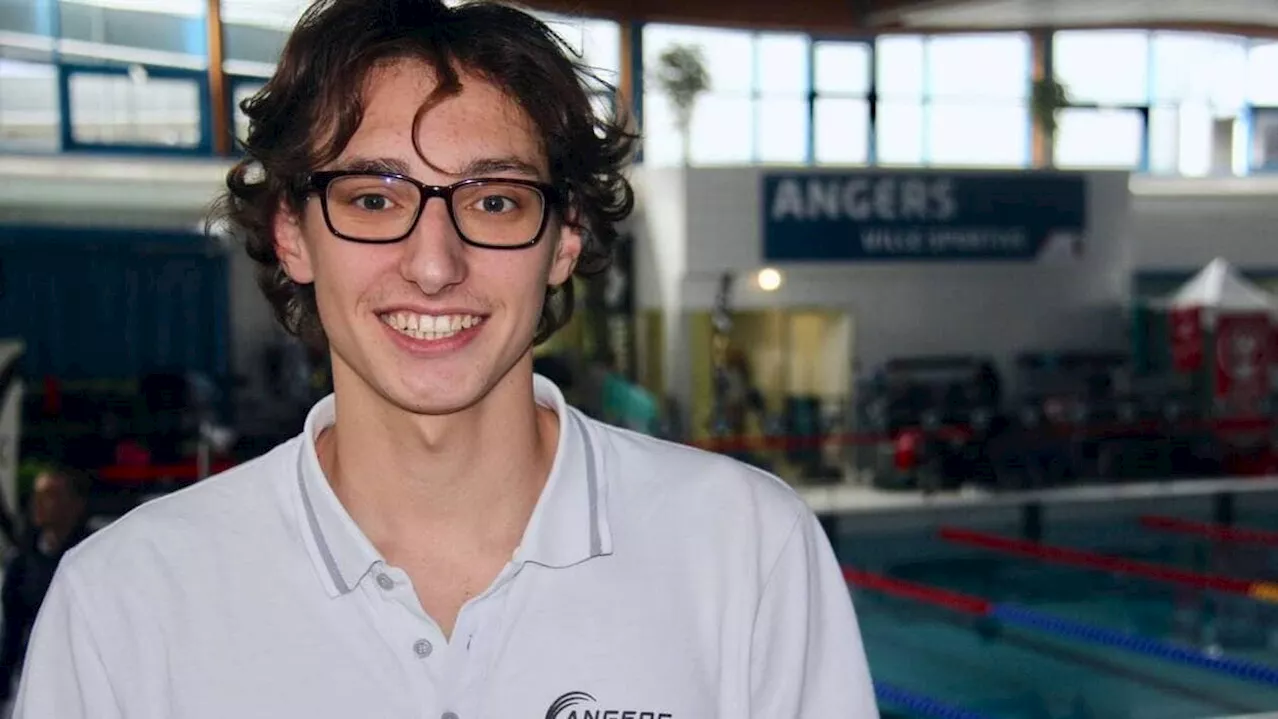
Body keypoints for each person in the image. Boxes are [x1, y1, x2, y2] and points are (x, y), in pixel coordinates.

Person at [15, 1, 879, 716]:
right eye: (373, 197)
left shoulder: (747, 552)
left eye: (496, 200)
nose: (434, 264)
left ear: (565, 239)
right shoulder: (125, 602)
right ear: (292, 232)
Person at [0, 466, 92, 703]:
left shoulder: (92, 556)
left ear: (76, 504)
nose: (39, 503)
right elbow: (13, 628)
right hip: (31, 673)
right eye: (37, 495)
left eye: (51, 495)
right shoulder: (23, 561)